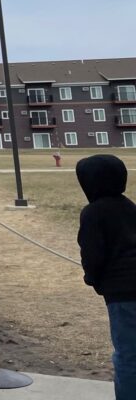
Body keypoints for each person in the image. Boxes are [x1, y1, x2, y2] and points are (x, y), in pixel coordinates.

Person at [76, 154, 136, 400]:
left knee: (128, 355)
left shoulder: (93, 212)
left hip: (123, 292)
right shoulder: (130, 206)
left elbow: (92, 254)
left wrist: (93, 279)